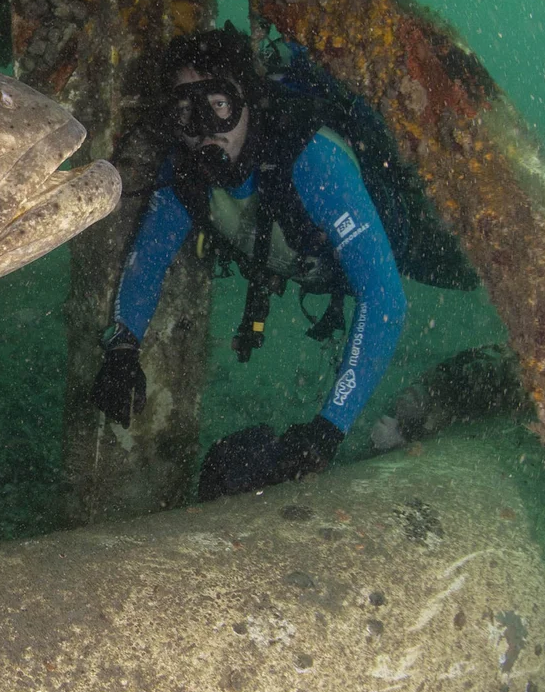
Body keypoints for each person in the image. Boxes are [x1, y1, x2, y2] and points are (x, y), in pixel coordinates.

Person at [92, 27, 409, 501]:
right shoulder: (185, 174)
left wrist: (329, 427)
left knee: (453, 263)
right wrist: (121, 347)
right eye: (185, 113)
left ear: (248, 100)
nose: (203, 129)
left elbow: (384, 297)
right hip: (298, 261)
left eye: (218, 105)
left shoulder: (314, 161)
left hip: (388, 245)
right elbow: (148, 259)